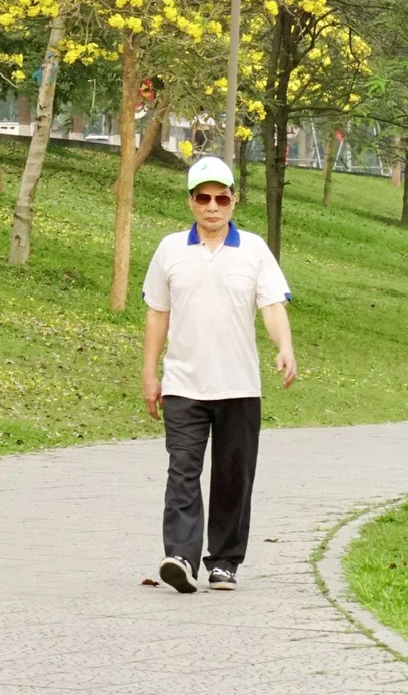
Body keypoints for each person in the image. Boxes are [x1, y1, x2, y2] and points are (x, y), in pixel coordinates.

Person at [142, 154, 296, 595]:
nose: (213, 206)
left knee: (233, 475)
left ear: (233, 200)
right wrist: (150, 374)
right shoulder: (171, 249)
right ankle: (182, 558)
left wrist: (284, 347)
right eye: (204, 197)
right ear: (191, 201)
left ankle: (224, 561)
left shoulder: (254, 250)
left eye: (222, 197)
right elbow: (157, 315)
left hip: (239, 386)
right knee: (183, 471)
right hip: (183, 385)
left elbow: (271, 306)